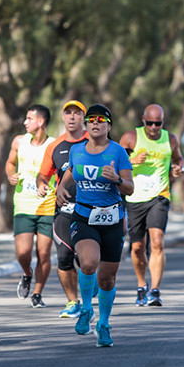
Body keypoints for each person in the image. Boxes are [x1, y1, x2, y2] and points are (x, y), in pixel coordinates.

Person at [56, 104, 134, 347]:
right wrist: (61, 187)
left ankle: (104, 324)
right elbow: (71, 172)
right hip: (84, 216)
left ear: (109, 125)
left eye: (101, 120)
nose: (95, 123)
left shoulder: (118, 152)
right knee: (88, 262)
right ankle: (87, 308)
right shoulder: (77, 151)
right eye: (90, 119)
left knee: (107, 280)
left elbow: (130, 188)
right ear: (86, 125)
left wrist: (117, 180)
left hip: (112, 219)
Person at [119, 104, 184, 307]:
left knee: (157, 242)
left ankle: (155, 290)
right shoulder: (131, 137)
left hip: (159, 196)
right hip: (135, 198)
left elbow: (179, 158)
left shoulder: (170, 139)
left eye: (158, 123)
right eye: (150, 123)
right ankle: (141, 285)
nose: (154, 127)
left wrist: (178, 168)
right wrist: (132, 160)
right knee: (138, 246)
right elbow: (115, 160)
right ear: (143, 120)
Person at [37, 100, 89, 318]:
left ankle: (90, 287)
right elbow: (43, 174)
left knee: (87, 260)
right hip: (64, 209)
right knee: (64, 256)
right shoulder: (54, 146)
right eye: (68, 113)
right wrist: (41, 183)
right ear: (63, 117)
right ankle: (72, 302)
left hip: (91, 208)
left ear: (83, 118)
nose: (72, 117)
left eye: (77, 114)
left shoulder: (94, 141)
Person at [5, 104, 56, 308]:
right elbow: (10, 163)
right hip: (23, 204)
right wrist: (11, 175)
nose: (25, 122)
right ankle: (27, 273)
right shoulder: (19, 141)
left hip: (46, 204)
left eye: (29, 118)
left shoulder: (54, 145)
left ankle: (37, 293)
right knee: (23, 252)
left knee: (43, 253)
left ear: (41, 122)